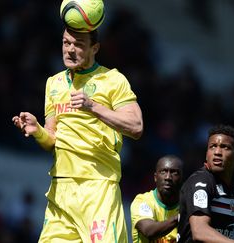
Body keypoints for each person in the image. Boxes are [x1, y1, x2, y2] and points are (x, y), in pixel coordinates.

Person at [12, 27, 143, 243]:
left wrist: (93, 106)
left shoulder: (113, 79)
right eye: (66, 43)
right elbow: (52, 139)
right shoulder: (54, 83)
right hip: (60, 189)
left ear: (95, 48)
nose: (70, 50)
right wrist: (38, 132)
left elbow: (136, 126)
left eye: (78, 44)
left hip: (97, 187)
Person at [177, 124, 234, 243]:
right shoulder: (201, 182)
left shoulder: (233, 189)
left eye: (225, 147)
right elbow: (199, 231)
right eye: (212, 147)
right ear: (206, 154)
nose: (217, 152)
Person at [130, 155, 183, 243]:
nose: (168, 177)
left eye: (174, 173)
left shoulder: (187, 203)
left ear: (181, 178)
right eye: (163, 172)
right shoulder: (142, 201)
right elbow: (149, 231)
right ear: (155, 177)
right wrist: (180, 217)